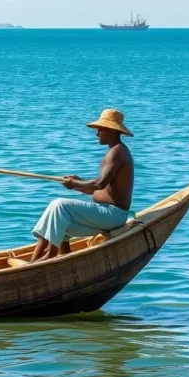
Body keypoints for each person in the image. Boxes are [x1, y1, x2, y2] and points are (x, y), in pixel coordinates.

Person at [29, 109, 135, 262]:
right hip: (105, 215)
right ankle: (45, 260)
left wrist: (74, 183)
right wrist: (77, 185)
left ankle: (49, 255)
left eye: (100, 129)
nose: (97, 133)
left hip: (114, 215)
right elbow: (101, 189)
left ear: (111, 131)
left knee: (58, 205)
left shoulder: (117, 152)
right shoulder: (115, 151)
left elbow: (99, 184)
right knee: (59, 221)